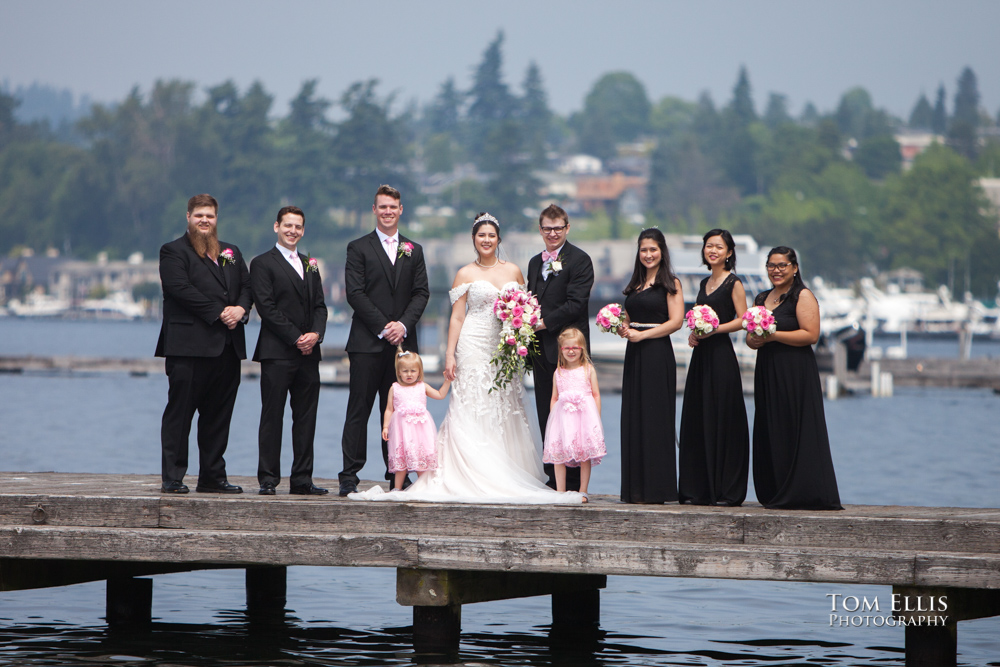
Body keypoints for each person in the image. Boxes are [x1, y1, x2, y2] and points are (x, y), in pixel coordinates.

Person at [351, 212, 582, 504]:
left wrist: (519, 334)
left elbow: (525, 311)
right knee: (471, 405)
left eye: (491, 235)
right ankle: (469, 469)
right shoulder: (464, 273)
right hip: (472, 345)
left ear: (499, 239)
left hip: (503, 348)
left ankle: (506, 470)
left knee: (505, 405)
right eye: (481, 235)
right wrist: (450, 354)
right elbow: (458, 317)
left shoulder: (514, 271)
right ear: (474, 239)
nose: (486, 240)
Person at [156, 194, 252, 494]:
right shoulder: (173, 251)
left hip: (227, 348)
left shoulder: (231, 252)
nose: (204, 221)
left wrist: (241, 309)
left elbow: (247, 287)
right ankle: (173, 477)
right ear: (188, 217)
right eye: (199, 215)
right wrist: (219, 311)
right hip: (188, 349)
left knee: (218, 417)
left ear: (216, 218)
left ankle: (212, 476)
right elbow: (179, 289)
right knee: (180, 414)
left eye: (209, 215)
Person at [339, 185, 429, 496]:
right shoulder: (358, 248)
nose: (388, 211)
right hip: (366, 342)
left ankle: (396, 476)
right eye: (382, 207)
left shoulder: (414, 250)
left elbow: (421, 293)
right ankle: (349, 475)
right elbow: (355, 293)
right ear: (374, 210)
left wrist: (402, 325)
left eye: (393, 206)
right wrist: (383, 326)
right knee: (358, 410)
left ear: (401, 209)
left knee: (400, 413)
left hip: (402, 349)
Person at [745, 246, 842, 510]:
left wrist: (773, 336)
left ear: (794, 268)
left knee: (796, 425)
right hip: (767, 369)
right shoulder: (761, 298)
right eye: (771, 266)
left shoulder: (802, 295)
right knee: (771, 426)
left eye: (782, 266)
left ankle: (803, 490)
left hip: (795, 370)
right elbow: (751, 339)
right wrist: (755, 339)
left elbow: (811, 335)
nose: (776, 271)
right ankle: (775, 489)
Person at [250, 205, 328, 496]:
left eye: (298, 227)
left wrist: (316, 335)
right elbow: (266, 308)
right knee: (272, 416)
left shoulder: (310, 264)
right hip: (277, 352)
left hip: (309, 354)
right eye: (287, 226)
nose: (292, 231)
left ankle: (302, 479)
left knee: (306, 418)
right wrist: (297, 337)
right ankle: (268, 479)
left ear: (303, 230)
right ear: (276, 227)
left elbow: (320, 306)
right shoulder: (262, 263)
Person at [678, 229, 750, 506]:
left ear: (729, 252)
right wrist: (696, 333)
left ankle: (726, 489)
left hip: (721, 356)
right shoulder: (704, 282)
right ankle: (700, 488)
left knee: (722, 417)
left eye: (719, 247)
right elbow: (699, 318)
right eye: (709, 246)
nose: (713, 251)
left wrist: (714, 330)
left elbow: (743, 320)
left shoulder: (735, 283)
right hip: (701, 357)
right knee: (699, 416)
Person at [526, 205, 595, 491]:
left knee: (575, 415)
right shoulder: (534, 262)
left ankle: (577, 481)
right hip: (540, 351)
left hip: (569, 352)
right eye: (547, 228)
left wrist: (542, 323)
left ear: (567, 228)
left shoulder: (580, 260)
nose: (552, 233)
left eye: (557, 228)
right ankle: (554, 478)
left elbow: (575, 304)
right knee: (547, 411)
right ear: (540, 230)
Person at [618, 228, 684, 504]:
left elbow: (676, 321)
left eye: (653, 249)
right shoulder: (635, 284)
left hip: (656, 352)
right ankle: (635, 489)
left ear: (662, 251)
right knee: (634, 417)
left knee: (656, 418)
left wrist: (642, 335)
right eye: (643, 250)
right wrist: (621, 325)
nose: (648, 254)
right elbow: (629, 315)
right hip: (634, 353)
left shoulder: (671, 283)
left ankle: (658, 489)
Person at [542, 327, 606, 501]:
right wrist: (554, 419)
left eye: (575, 348)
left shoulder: (588, 370)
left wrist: (596, 419)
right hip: (563, 419)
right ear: (561, 350)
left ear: (582, 349)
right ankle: (560, 491)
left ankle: (582, 490)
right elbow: (554, 398)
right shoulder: (558, 372)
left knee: (584, 454)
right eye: (567, 348)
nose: (571, 351)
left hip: (584, 419)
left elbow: (596, 394)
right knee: (559, 454)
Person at [381, 348, 451, 491]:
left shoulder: (422, 386)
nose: (409, 374)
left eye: (413, 371)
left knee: (420, 460)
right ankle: (397, 488)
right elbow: (389, 409)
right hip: (401, 432)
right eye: (405, 371)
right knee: (401, 461)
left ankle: (423, 487)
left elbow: (440, 395)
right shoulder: (394, 388)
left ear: (419, 371)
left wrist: (447, 381)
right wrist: (386, 427)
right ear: (399, 372)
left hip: (420, 431)